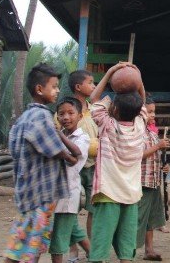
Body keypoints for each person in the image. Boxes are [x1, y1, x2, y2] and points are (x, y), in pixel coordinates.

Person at [4, 63, 82, 263]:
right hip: (39, 197)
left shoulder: (23, 119)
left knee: (26, 248)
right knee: (23, 251)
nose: (57, 91)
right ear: (40, 89)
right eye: (54, 86)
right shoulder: (42, 117)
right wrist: (61, 137)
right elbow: (73, 157)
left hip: (28, 194)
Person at [89, 63, 147, 263]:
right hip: (131, 195)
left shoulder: (108, 126)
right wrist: (137, 77)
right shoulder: (140, 126)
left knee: (100, 244)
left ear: (115, 110)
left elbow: (94, 99)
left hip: (108, 193)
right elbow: (143, 102)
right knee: (126, 247)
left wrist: (110, 72)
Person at [49, 97, 91, 263]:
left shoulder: (83, 137)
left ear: (80, 116)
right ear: (57, 117)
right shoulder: (60, 135)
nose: (66, 117)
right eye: (61, 114)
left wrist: (58, 134)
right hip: (56, 191)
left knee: (58, 237)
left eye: (70, 113)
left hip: (67, 193)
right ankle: (94, 256)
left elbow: (77, 153)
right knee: (74, 230)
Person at [66, 70, 98, 263]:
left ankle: (90, 249)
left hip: (93, 166)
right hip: (74, 168)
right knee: (72, 210)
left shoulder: (93, 109)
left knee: (93, 210)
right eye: (91, 83)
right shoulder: (68, 110)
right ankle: (73, 251)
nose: (93, 86)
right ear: (78, 87)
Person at [137, 96, 170, 260]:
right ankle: (128, 250)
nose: (153, 115)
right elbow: (136, 156)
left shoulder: (151, 131)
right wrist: (158, 146)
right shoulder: (136, 132)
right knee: (138, 218)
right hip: (141, 182)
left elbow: (155, 156)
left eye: (154, 112)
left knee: (150, 217)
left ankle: (149, 250)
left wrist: (164, 167)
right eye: (149, 112)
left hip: (153, 181)